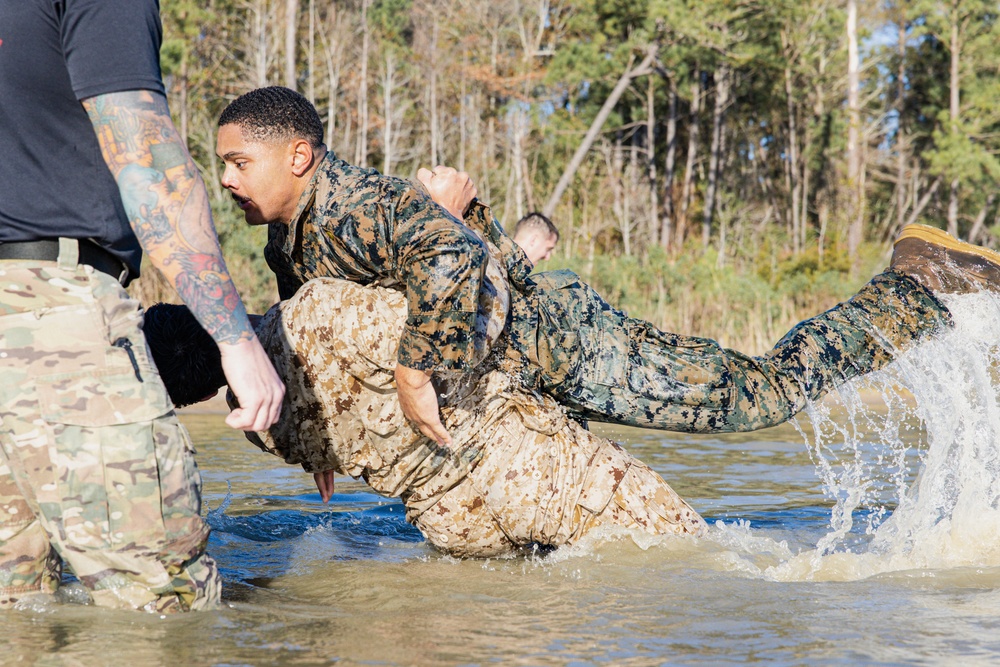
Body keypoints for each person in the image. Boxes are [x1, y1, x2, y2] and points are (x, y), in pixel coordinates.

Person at [215, 86, 1000, 449]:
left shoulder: (359, 206)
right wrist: (318, 444)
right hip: (522, 374)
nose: (227, 180)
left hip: (571, 343)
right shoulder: (291, 240)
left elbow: (450, 256)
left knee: (759, 393)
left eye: (239, 162)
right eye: (221, 165)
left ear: (300, 153)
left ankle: (915, 283)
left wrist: (413, 376)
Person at [0, 1, 284, 613]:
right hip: (52, 313)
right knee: (160, 606)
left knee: (14, 607)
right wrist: (236, 339)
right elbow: (149, 165)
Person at [144, 279, 706, 557]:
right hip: (532, 469)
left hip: (456, 528)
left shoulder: (261, 430)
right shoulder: (316, 313)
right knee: (699, 562)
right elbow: (456, 327)